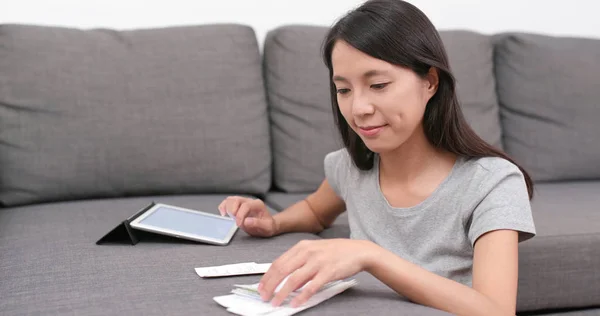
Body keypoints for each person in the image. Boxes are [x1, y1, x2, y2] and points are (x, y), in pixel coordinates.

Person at [218, 0, 536, 314]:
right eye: (343, 90)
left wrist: (371, 256)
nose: (358, 109)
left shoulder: (492, 182)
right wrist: (272, 223)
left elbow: (496, 309)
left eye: (378, 85)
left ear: (430, 81)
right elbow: (316, 212)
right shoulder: (352, 168)